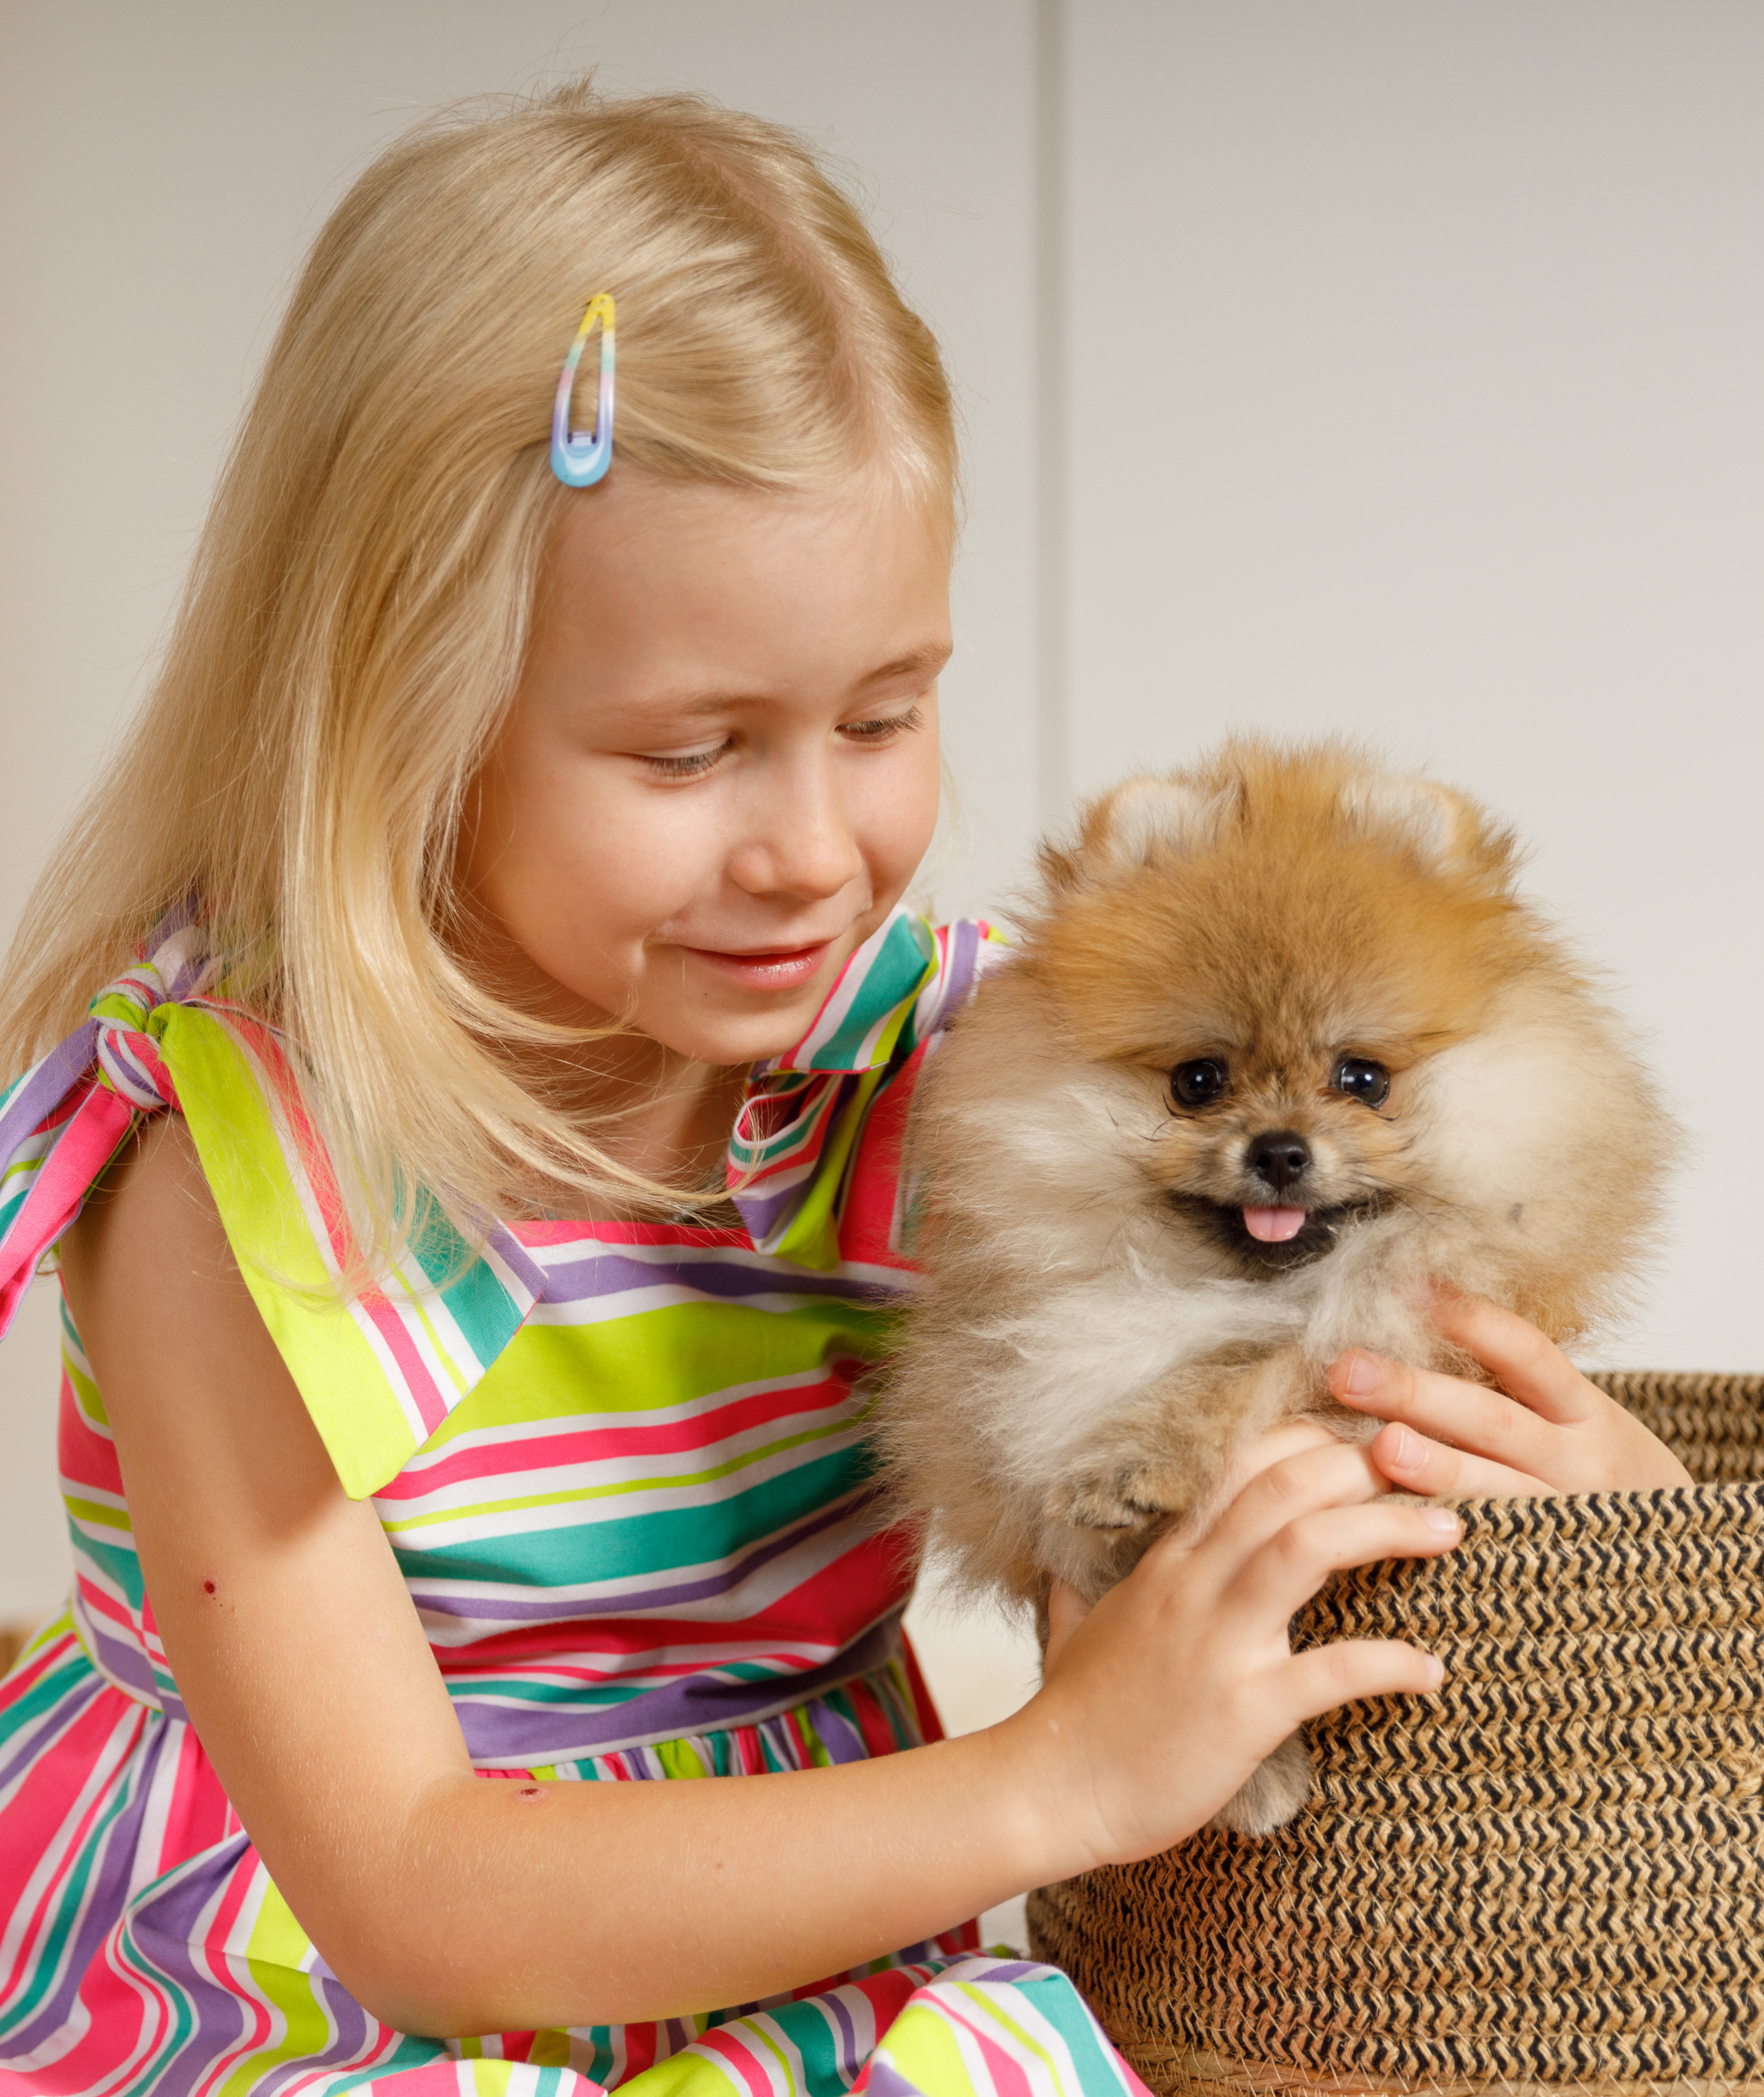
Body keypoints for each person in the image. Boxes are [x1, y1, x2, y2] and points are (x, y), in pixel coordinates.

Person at [0, 80, 1690, 2097]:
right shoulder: (232, 1184)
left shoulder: (937, 1071)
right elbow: (413, 1896)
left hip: (830, 1938)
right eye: (692, 750)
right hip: (330, 1990)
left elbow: (1167, 1513)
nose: (815, 851)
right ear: (405, 719)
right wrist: (1054, 1778)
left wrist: (1582, 1526)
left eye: (884, 716)